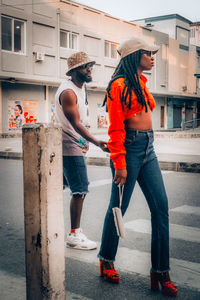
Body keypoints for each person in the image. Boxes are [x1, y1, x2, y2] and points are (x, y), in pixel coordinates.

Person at [97, 36, 178, 297]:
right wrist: (119, 162)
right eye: (148, 53)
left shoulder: (140, 82)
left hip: (148, 148)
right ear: (135, 55)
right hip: (128, 149)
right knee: (118, 206)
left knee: (161, 208)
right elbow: (116, 127)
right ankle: (106, 259)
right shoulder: (118, 85)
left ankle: (160, 271)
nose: (152, 57)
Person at [55, 51, 108, 250]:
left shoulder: (80, 87)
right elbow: (75, 123)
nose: (89, 69)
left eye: (90, 66)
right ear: (75, 70)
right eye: (86, 66)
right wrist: (96, 142)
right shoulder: (68, 92)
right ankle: (74, 235)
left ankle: (49, 224)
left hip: (73, 144)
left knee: (57, 186)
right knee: (80, 189)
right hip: (69, 146)